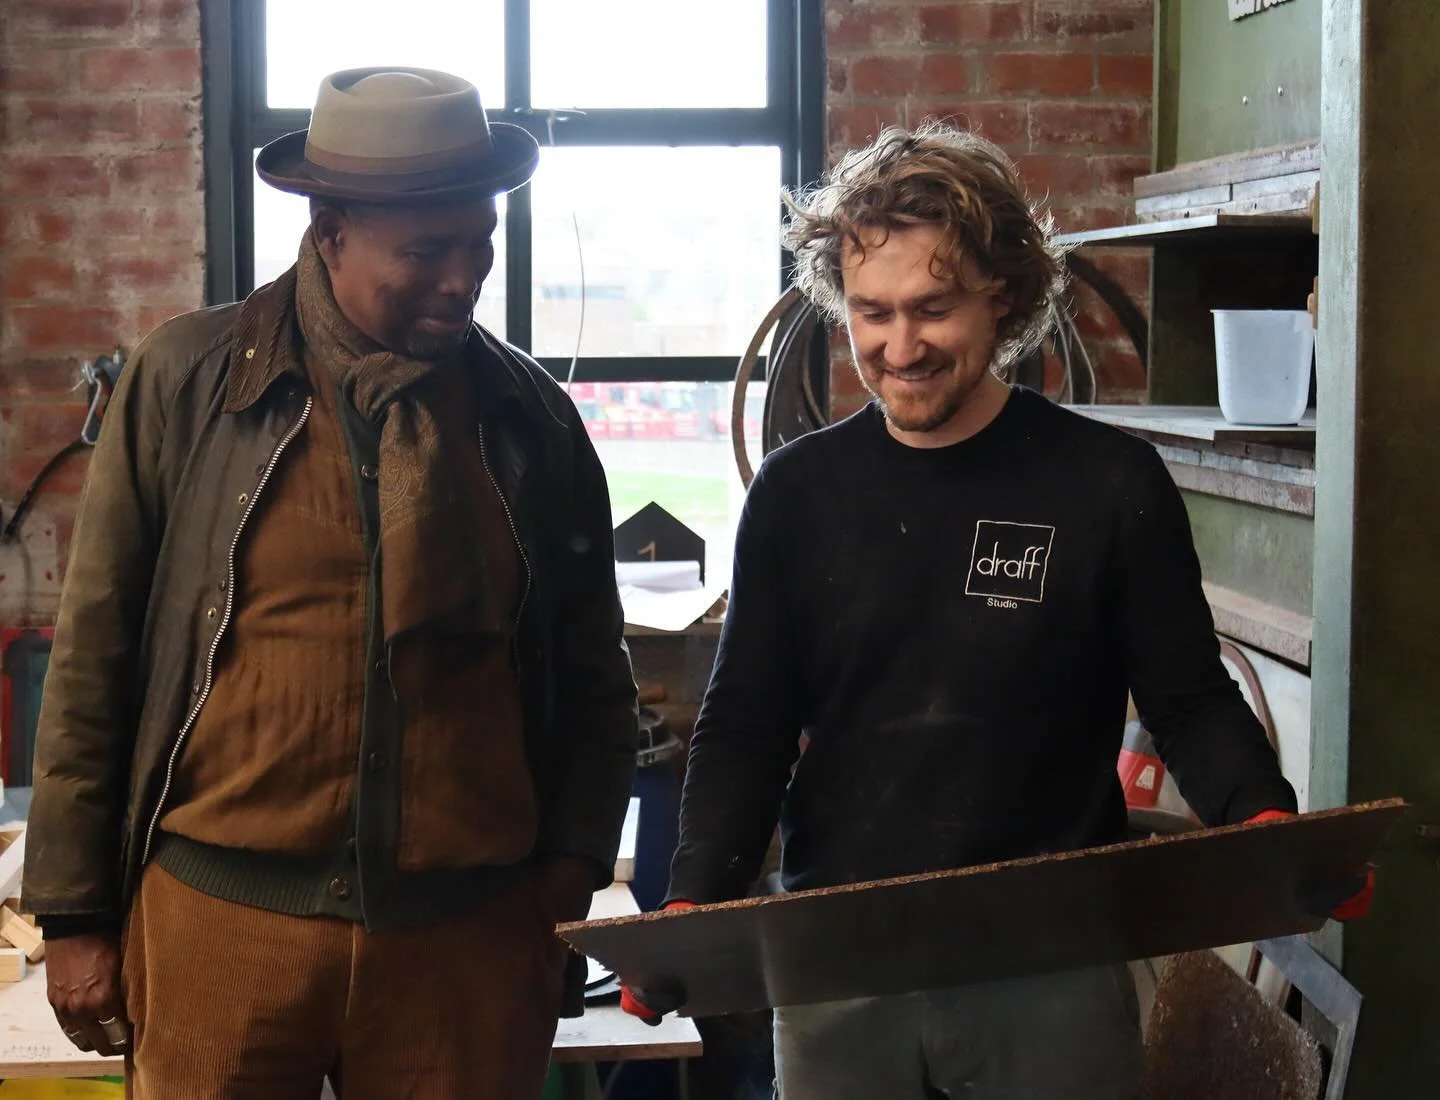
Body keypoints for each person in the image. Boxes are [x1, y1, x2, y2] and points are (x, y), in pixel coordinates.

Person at [623, 123, 1373, 1098]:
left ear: (1005, 295)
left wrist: (1272, 831)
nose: (900, 346)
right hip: (842, 962)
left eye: (933, 308)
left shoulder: (1108, 483)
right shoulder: (796, 494)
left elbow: (1188, 699)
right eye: (871, 312)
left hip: (1053, 963)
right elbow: (746, 724)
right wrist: (693, 900)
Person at [22, 67, 639, 1099]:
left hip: (466, 946)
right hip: (222, 923)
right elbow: (96, 657)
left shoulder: (528, 417)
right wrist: (75, 913)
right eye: (425, 251)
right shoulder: (189, 382)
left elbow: (592, 675)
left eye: (478, 242)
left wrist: (567, 872)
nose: (463, 278)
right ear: (332, 227)